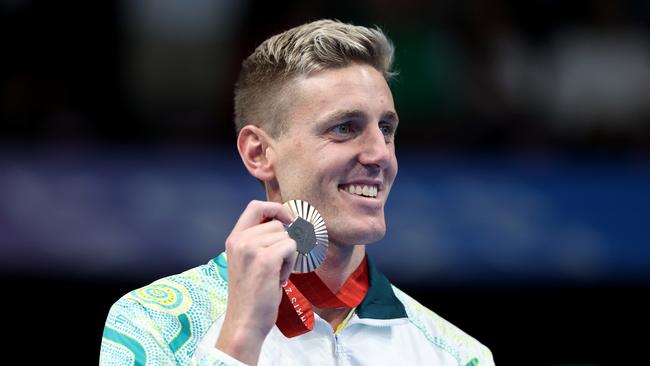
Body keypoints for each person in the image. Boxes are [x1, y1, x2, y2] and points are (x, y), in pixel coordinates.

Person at [100, 19, 494, 366]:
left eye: (386, 129)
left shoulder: (459, 356)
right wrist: (240, 338)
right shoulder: (152, 323)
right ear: (259, 153)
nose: (380, 155)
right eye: (344, 128)